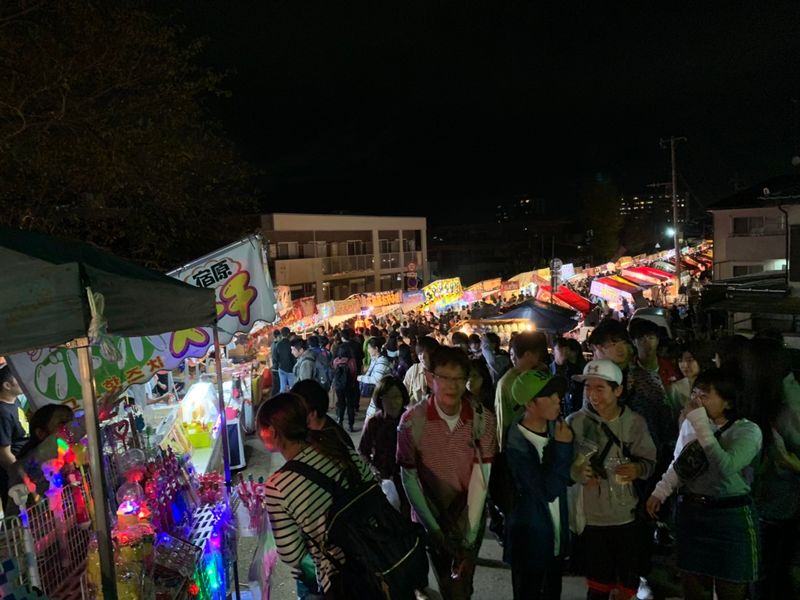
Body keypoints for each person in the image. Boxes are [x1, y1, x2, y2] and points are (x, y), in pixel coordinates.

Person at [646, 367, 762, 600]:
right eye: (694, 394)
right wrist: (660, 491)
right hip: (692, 513)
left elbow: (725, 468)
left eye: (704, 396)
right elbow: (680, 462)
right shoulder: (693, 423)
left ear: (728, 402)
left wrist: (699, 423)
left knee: (731, 588)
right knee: (693, 587)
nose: (695, 401)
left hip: (730, 517)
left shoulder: (748, 431)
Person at [397, 346, 497, 599]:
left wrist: (471, 534)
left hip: (467, 518)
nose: (451, 386)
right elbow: (408, 477)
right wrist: (435, 531)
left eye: (459, 379)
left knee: (463, 584)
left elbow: (482, 477)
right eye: (444, 378)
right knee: (447, 583)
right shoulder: (411, 421)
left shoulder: (482, 419)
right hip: (429, 516)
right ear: (430, 379)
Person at [259, 393, 378, 598]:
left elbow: (292, 554)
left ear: (272, 432)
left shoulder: (277, 485)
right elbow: (372, 489)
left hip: (342, 579)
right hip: (379, 553)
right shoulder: (338, 448)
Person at [568, 359, 657, 600]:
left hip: (625, 516)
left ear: (618, 390)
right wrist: (574, 472)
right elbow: (561, 465)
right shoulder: (574, 422)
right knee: (597, 585)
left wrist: (638, 469)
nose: (592, 395)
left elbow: (650, 462)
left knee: (626, 586)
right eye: (588, 387)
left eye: (600, 388)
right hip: (589, 518)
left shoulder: (634, 422)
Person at [505, 370, 572, 600]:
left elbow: (563, 477)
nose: (557, 399)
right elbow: (547, 491)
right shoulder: (517, 445)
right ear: (529, 404)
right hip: (530, 543)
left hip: (554, 538)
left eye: (558, 394)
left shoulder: (556, 429)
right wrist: (563, 449)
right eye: (549, 396)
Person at [358, 376, 409, 513]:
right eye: (387, 397)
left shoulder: (410, 420)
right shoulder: (374, 422)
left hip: (408, 478)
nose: (392, 402)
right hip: (383, 478)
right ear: (379, 399)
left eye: (396, 397)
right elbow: (362, 451)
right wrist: (373, 470)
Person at [291, 379, 353, 451]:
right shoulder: (309, 429)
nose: (293, 413)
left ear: (312, 414)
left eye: (297, 409)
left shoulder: (334, 443)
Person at [0, 365, 29, 508]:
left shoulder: (15, 401)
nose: (22, 380)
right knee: (17, 513)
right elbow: (5, 454)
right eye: (17, 379)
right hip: (12, 476)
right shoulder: (2, 413)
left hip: (24, 464)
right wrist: (20, 475)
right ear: (6, 385)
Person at [551, 337, 587, 417]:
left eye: (566, 348)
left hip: (573, 413)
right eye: (560, 349)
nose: (564, 352)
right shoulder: (547, 371)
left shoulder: (575, 369)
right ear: (553, 351)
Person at [360, 338, 393, 421]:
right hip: (378, 393)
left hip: (382, 394)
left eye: (369, 348)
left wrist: (361, 378)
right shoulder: (376, 359)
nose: (368, 350)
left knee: (371, 418)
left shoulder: (382, 361)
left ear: (376, 349)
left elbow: (376, 379)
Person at [404, 336, 440, 406]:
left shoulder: (444, 371)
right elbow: (403, 393)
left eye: (426, 353)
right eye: (420, 353)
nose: (422, 357)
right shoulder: (414, 371)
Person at [331, 344, 358, 432]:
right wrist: (353, 383)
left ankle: (340, 421)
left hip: (339, 386)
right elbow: (354, 373)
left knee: (341, 403)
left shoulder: (335, 361)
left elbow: (335, 373)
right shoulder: (351, 361)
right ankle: (350, 425)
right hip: (349, 385)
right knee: (350, 405)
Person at [276, 327, 297, 392]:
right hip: (290, 369)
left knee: (283, 388)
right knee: (293, 388)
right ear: (288, 334)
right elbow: (294, 357)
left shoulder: (278, 344)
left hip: (281, 368)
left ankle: (282, 400)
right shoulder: (291, 344)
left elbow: (276, 357)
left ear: (281, 334)